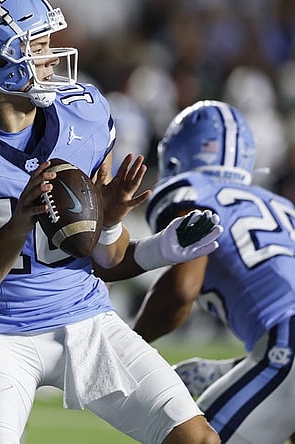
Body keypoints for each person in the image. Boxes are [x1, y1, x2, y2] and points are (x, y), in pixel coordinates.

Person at [0, 0, 223, 443]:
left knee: (197, 438)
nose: (51, 57)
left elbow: (107, 257)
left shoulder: (85, 113)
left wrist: (107, 222)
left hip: (87, 317)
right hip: (1, 334)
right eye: (36, 46)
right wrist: (19, 223)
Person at [132, 100, 295, 444]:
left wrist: (126, 347)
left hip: (287, 342)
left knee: (193, 439)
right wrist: (230, 370)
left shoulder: (191, 191)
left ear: (177, 154)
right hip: (283, 344)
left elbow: (182, 288)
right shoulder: (283, 207)